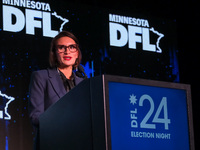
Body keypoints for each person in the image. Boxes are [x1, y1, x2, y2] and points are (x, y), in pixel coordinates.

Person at [28, 31, 85, 149]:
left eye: (72, 47)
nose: (67, 51)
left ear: (77, 53)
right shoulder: (41, 77)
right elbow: (35, 116)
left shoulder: (83, 82)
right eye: (61, 48)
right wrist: (62, 123)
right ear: (54, 53)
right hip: (51, 143)